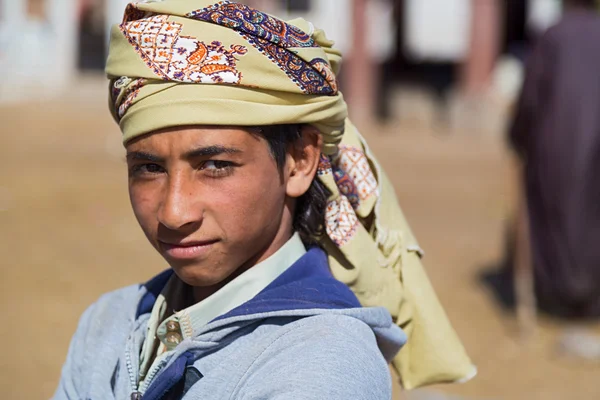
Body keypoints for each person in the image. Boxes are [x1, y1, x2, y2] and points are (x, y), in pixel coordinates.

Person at [54, 1, 474, 398]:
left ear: (299, 161)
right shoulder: (109, 324)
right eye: (149, 168)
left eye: (215, 165)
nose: (173, 212)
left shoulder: (322, 362)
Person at [510, 0, 600, 318]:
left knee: (554, 215)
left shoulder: (552, 37)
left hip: (556, 145)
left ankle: (560, 295)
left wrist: (517, 135)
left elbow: (531, 98)